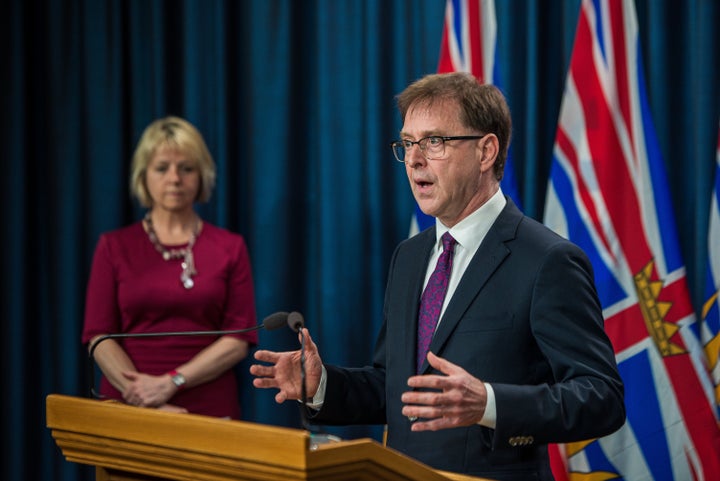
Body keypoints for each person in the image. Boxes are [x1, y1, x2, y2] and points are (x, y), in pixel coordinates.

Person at [250, 72, 625, 479]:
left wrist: (489, 404)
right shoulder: (409, 256)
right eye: (408, 143)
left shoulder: (547, 260)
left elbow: (601, 397)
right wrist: (322, 384)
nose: (413, 159)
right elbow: (396, 389)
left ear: (485, 152)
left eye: (434, 141)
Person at [82, 116, 257, 419]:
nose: (174, 178)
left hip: (206, 411)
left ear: (201, 175)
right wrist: (144, 397)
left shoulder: (230, 247)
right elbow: (99, 336)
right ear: (143, 176)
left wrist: (170, 382)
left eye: (186, 168)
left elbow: (238, 340)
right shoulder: (113, 246)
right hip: (129, 408)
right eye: (162, 168)